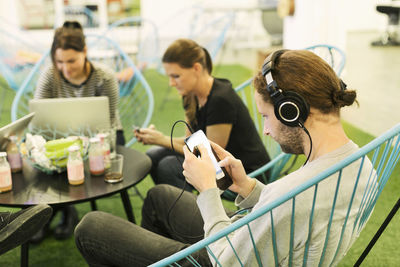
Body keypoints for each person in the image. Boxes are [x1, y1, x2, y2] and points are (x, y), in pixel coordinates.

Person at [74, 49, 373, 266]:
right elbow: (293, 218)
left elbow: (225, 260)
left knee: (91, 227)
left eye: (266, 117)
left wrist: (207, 191)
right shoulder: (362, 163)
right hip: (260, 242)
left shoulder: (293, 194)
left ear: (291, 111)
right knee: (160, 196)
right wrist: (248, 187)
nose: (266, 130)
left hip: (229, 256)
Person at [134, 38, 270, 191]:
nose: (171, 83)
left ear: (196, 68)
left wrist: (162, 140)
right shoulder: (190, 95)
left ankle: (191, 213)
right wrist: (157, 138)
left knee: (169, 166)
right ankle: (174, 209)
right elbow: (190, 142)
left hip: (245, 171)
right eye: (169, 77)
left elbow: (209, 155)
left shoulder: (221, 99)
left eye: (176, 76)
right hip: (216, 162)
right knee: (153, 156)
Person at [32, 21, 123, 243]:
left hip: (103, 136)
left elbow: (108, 123)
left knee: (73, 157)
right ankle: (51, 212)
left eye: (71, 60)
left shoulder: (105, 77)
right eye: (59, 61)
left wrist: (84, 142)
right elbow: (39, 119)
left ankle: (65, 211)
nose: (65, 68)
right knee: (48, 156)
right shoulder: (49, 75)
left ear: (85, 52)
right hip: (59, 136)